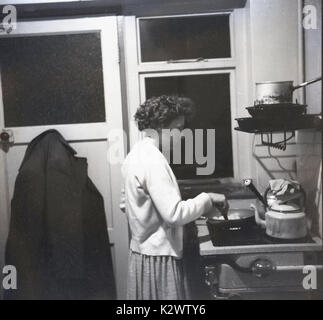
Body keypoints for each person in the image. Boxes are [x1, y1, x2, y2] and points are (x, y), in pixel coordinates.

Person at [120, 95, 228, 300]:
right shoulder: (153, 161)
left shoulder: (135, 153)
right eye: (178, 128)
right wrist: (208, 198)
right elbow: (174, 214)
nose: (182, 134)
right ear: (161, 126)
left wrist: (145, 220)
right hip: (160, 257)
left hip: (142, 255)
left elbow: (125, 203)